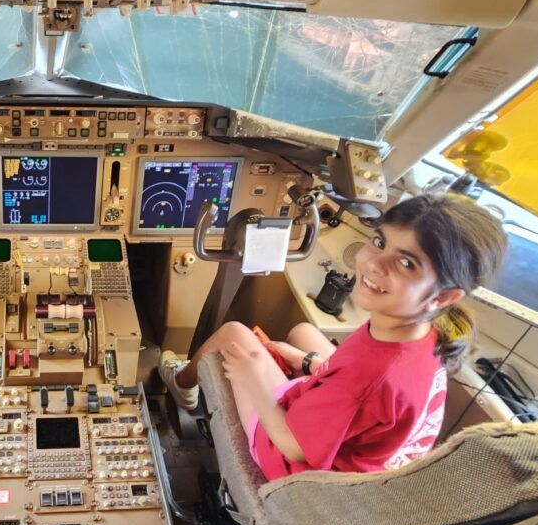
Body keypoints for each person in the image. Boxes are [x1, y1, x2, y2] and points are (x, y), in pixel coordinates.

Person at [158, 194, 507, 480]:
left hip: (297, 467)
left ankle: (182, 386)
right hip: (363, 453)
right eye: (379, 242)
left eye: (406, 264)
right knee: (303, 333)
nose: (374, 264)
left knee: (234, 334)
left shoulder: (370, 376)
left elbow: (293, 445)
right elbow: (365, 395)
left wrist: (251, 377)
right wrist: (309, 362)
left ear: (444, 296)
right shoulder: (427, 334)